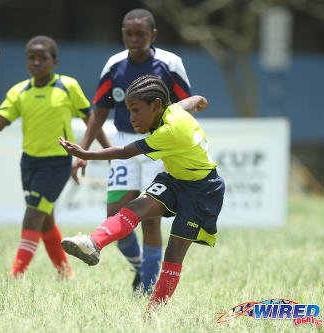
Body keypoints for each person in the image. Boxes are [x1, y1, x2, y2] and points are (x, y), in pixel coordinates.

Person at [59, 75, 225, 317]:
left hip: (203, 191)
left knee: (174, 252)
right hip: (177, 179)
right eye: (129, 110)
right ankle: (93, 243)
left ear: (157, 105)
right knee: (137, 207)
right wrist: (199, 100)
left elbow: (126, 152)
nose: (131, 117)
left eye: (136, 110)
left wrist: (86, 153)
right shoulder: (171, 110)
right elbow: (187, 103)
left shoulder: (169, 132)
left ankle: (152, 316)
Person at [71, 8, 192, 294]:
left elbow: (187, 107)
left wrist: (175, 144)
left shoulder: (170, 63)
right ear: (122, 32)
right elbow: (98, 111)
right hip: (125, 142)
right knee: (115, 212)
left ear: (153, 35)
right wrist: (81, 153)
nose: (134, 38)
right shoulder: (114, 64)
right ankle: (141, 268)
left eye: (141, 34)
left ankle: (147, 288)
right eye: (129, 33)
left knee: (149, 219)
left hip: (158, 146)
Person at [0, 35, 110, 280]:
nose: (36, 62)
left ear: (55, 61)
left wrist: (106, 152)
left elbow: (91, 121)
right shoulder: (19, 91)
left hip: (56, 163)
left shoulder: (68, 86)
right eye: (31, 58)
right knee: (44, 220)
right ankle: (66, 275)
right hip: (29, 163)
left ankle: (15, 276)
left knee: (33, 215)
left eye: (43, 58)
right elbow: (0, 122)